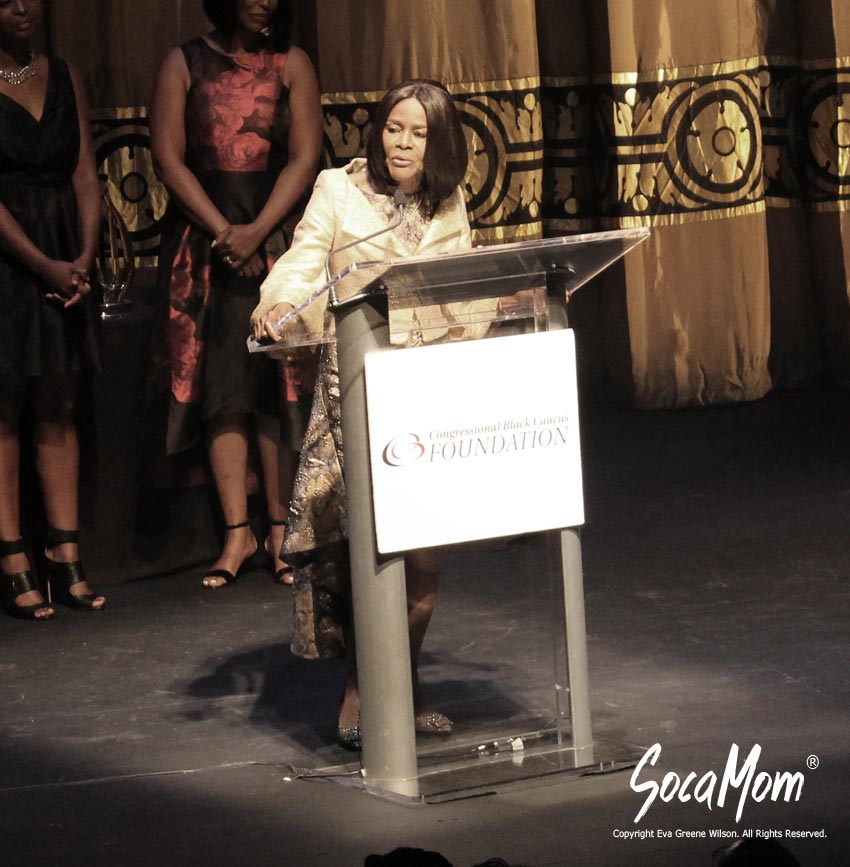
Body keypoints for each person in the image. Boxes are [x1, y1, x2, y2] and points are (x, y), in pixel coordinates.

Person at [252, 79, 478, 748]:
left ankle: (403, 680)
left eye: (418, 133)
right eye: (393, 128)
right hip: (358, 397)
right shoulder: (338, 189)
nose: (402, 143)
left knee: (425, 570)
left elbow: (463, 289)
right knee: (372, 562)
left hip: (429, 397)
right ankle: (362, 690)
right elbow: (302, 262)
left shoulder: (449, 202)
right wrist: (278, 304)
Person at [149, 0, 323, 588]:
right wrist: (224, 232)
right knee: (222, 386)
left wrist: (257, 231)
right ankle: (236, 532)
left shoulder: (292, 63)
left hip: (272, 238)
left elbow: (304, 158)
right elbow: (168, 158)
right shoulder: (183, 61)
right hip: (204, 244)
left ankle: (280, 530)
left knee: (274, 386)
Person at [0, 0, 105, 619]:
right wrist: (43, 264)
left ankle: (64, 550)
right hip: (12, 256)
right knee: (5, 403)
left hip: (67, 251)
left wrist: (83, 256)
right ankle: (13, 555)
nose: (21, 8)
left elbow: (85, 171)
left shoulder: (64, 74)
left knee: (58, 400)